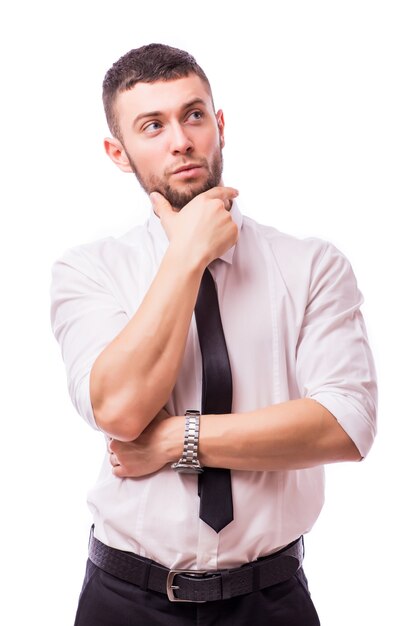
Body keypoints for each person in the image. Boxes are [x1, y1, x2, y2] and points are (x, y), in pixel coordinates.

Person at [50, 43, 377, 625]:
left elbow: (345, 424)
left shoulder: (310, 265)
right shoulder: (89, 270)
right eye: (152, 126)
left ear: (219, 125)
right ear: (118, 153)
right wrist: (186, 257)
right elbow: (120, 411)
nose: (180, 140)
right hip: (127, 599)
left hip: (271, 600)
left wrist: (179, 441)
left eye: (193, 115)